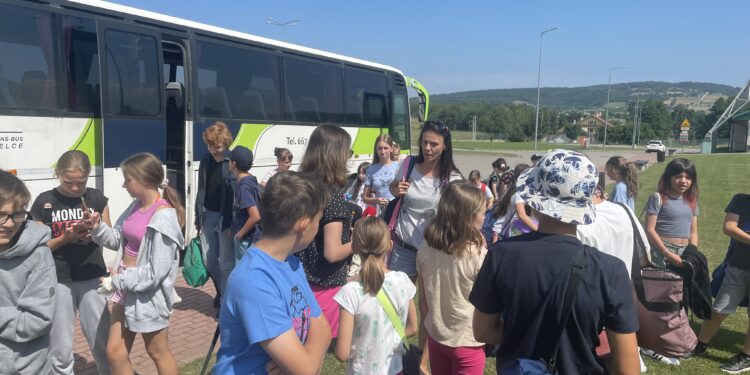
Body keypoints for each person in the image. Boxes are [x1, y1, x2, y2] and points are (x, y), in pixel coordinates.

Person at [469, 149, 640, 375]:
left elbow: (482, 331)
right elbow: (627, 363)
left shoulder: (502, 255)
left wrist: (527, 333)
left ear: (535, 199)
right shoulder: (610, 270)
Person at [214, 171, 332, 374]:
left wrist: (306, 360)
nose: (318, 227)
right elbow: (307, 369)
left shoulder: (291, 263)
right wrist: (305, 363)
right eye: (318, 220)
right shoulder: (254, 280)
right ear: (303, 226)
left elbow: (324, 329)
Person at [87, 153, 185, 375]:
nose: (123, 185)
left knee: (157, 351)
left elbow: (155, 273)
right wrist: (97, 227)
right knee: (114, 351)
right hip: (124, 287)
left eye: (127, 179)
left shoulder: (164, 218)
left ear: (144, 179)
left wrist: (117, 281)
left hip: (147, 295)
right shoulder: (134, 207)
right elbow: (116, 239)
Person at [389, 120, 462, 373]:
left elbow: (457, 215)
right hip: (403, 246)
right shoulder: (408, 165)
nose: (428, 148)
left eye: (434, 144)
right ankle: (393, 354)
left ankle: (422, 361)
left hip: (433, 251)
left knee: (428, 307)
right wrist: (395, 189)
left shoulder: (452, 178)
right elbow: (393, 188)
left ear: (445, 146)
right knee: (396, 301)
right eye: (425, 142)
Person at [30, 150, 111, 374]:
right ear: (58, 175)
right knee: (60, 345)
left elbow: (110, 236)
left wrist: (94, 232)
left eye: (81, 182)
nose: (75, 188)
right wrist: (65, 238)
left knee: (102, 340)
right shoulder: (44, 201)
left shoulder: (96, 197)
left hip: (92, 275)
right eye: (69, 182)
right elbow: (37, 247)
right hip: (57, 278)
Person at [417, 182, 488, 375]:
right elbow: (489, 303)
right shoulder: (477, 255)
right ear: (468, 217)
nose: (484, 217)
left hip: (436, 335)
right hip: (468, 341)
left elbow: (423, 299)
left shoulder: (426, 247)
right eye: (482, 212)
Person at [334, 217, 418, 375]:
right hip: (395, 369)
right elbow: (413, 328)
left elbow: (342, 353)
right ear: (390, 245)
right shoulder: (403, 281)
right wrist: (386, 340)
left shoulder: (350, 292)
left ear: (355, 248)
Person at [297, 124, 355, 338]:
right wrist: (356, 241)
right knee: (314, 351)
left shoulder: (300, 186)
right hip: (324, 286)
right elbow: (332, 253)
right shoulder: (333, 197)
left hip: (297, 280)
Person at [0, 170, 57, 375]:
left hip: (25, 368)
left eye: (16, 215)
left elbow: (37, 321)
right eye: (0, 215)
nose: (8, 224)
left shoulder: (38, 256)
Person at [692, 193, 750, 372]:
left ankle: (746, 356)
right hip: (737, 267)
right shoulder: (741, 200)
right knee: (718, 310)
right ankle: (700, 345)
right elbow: (729, 227)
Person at [195, 121, 236, 306]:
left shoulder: (232, 162)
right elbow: (201, 189)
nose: (213, 150)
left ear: (225, 144)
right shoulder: (206, 160)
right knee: (209, 259)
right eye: (210, 145)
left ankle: (226, 300)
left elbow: (234, 193)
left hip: (225, 217)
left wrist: (229, 222)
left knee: (226, 262)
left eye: (217, 146)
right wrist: (198, 217)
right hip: (207, 214)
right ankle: (222, 290)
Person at [644, 158, 699, 269]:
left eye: (688, 178)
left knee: (683, 285)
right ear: (669, 178)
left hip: (685, 251)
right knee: (663, 284)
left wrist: (692, 252)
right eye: (678, 177)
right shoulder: (657, 198)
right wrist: (667, 253)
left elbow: (693, 232)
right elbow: (650, 230)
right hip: (661, 251)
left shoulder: (692, 201)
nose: (683, 181)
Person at [229, 146, 262, 260]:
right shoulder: (251, 179)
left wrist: (239, 235)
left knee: (242, 273)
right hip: (253, 237)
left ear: (233, 163)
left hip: (246, 240)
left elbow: (255, 216)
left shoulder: (243, 187)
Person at [363, 135, 399, 216]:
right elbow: (365, 198)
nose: (383, 151)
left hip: (397, 211)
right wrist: (376, 200)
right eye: (380, 148)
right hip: (381, 213)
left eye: (385, 148)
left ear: (391, 149)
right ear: (376, 150)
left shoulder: (399, 166)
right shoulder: (371, 169)